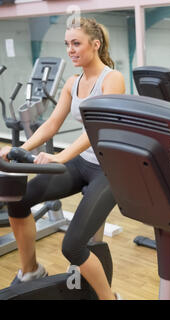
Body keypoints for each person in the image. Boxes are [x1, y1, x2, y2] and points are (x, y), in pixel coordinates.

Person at [0, 17, 125, 300]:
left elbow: (98, 129)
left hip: (108, 171)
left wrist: (60, 157)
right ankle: (31, 269)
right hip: (81, 164)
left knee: (73, 246)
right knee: (17, 202)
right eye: (67, 44)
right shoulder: (73, 82)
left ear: (95, 44)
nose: (70, 49)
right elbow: (51, 124)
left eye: (76, 43)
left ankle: (109, 298)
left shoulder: (112, 79)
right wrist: (20, 148)